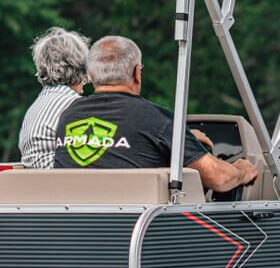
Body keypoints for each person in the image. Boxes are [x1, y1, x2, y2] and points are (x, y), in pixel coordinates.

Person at [54, 35, 259, 194]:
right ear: (137, 73)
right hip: (136, 228)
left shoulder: (68, 116)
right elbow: (219, 178)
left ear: (90, 76)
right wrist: (242, 171)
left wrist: (185, 139)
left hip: (76, 226)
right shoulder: (155, 119)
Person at [18, 26, 91, 168]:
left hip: (34, 179)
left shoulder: (37, 105)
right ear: (80, 66)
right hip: (61, 180)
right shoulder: (74, 105)